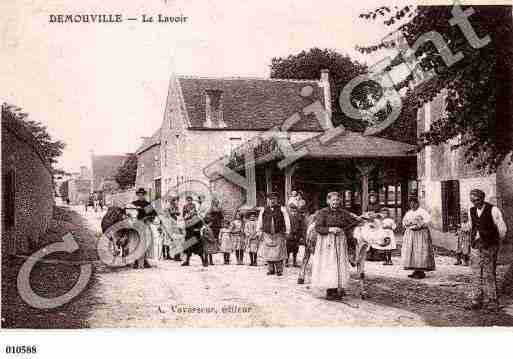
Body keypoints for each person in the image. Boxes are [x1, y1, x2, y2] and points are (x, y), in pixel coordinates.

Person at [312, 191, 359, 300]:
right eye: (333, 200)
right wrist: (330, 229)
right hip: (327, 241)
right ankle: (330, 290)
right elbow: (318, 228)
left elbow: (353, 222)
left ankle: (338, 287)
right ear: (328, 201)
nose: (335, 202)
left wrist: (360, 219)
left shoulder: (343, 213)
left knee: (339, 265)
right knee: (330, 265)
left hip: (340, 241)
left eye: (337, 200)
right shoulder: (322, 213)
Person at [466, 189, 507, 311]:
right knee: (475, 273)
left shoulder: (493, 210)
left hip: (489, 246)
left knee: (489, 273)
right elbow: (471, 226)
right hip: (476, 245)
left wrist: (494, 243)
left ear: (483, 198)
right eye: (472, 200)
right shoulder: (472, 211)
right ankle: (476, 300)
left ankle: (493, 301)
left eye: (477, 200)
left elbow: (502, 229)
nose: (475, 203)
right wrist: (472, 241)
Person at [401, 194, 435, 279]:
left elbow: (428, 221)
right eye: (410, 203)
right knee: (412, 251)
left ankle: (420, 271)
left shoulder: (422, 212)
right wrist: (407, 223)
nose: (412, 205)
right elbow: (404, 221)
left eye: (414, 203)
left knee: (420, 251)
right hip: (411, 235)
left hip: (420, 235)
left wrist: (420, 225)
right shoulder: (409, 213)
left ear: (417, 203)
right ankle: (415, 270)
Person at [257, 192, 290, 276]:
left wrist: (287, 231)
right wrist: (259, 231)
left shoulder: (282, 209)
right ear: (267, 200)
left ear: (277, 200)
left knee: (279, 252)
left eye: (274, 199)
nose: (272, 201)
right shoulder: (263, 210)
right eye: (270, 199)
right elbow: (260, 221)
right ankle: (270, 269)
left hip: (278, 234)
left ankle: (279, 269)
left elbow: (286, 220)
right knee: (268, 252)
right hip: (267, 234)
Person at [130, 188, 157, 269]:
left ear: (144, 195)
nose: (141, 196)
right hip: (136, 225)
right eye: (139, 194)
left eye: (142, 194)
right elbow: (128, 213)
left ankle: (145, 260)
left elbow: (153, 214)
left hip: (145, 225)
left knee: (147, 242)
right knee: (135, 243)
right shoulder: (134, 204)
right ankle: (135, 261)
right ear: (137, 195)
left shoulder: (147, 204)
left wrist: (149, 219)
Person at [181, 198, 204, 266]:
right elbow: (185, 225)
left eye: (192, 209)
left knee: (199, 249)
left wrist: (198, 229)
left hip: (196, 235)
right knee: (188, 249)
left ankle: (203, 260)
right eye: (189, 210)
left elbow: (201, 224)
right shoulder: (187, 218)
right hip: (189, 234)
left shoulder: (196, 217)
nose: (191, 211)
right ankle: (187, 261)